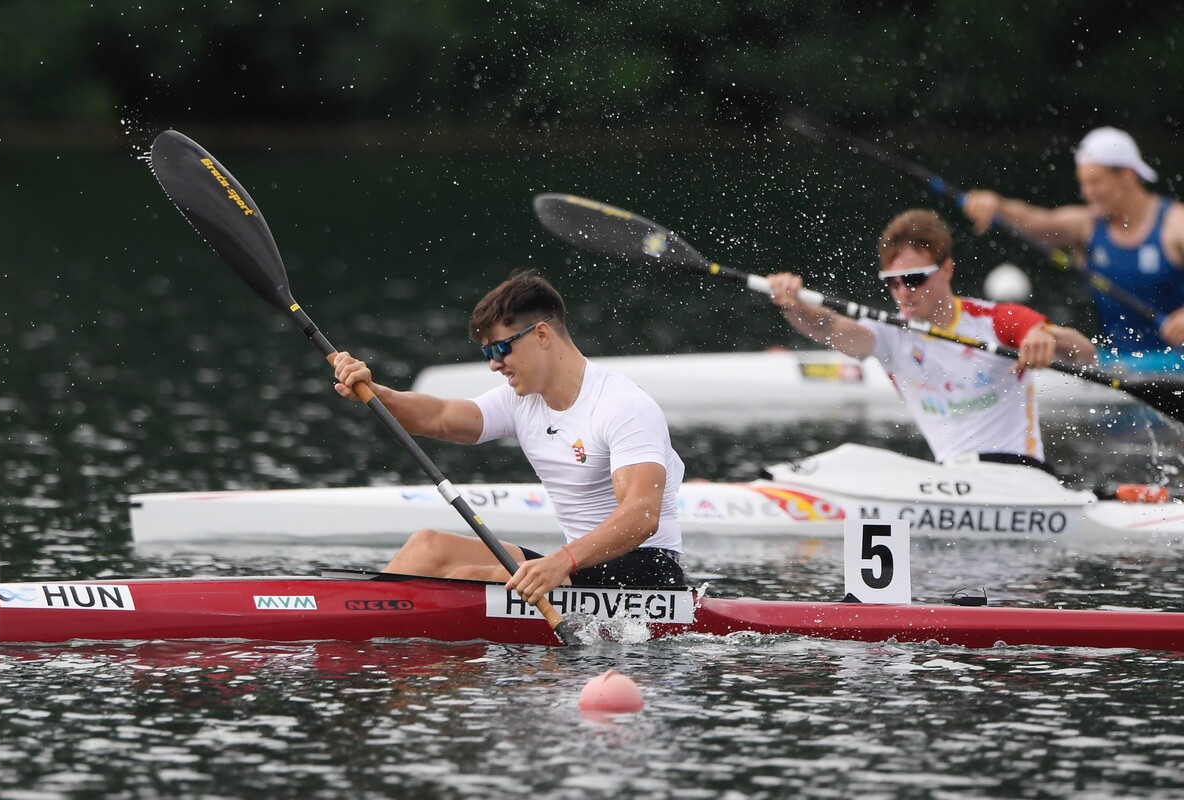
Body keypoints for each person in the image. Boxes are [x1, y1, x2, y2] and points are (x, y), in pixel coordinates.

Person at [330, 271, 686, 605]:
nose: (494, 365)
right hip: (576, 565)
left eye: (499, 349)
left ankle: (376, 628)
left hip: (646, 572)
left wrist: (562, 561)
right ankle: (355, 612)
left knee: (468, 578)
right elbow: (438, 417)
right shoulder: (521, 400)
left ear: (542, 335)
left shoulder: (622, 405)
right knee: (428, 546)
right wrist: (374, 391)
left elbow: (641, 514)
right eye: (487, 353)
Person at [767, 209, 1096, 467]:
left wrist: (1042, 338)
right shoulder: (889, 336)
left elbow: (1084, 353)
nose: (903, 293)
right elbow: (828, 329)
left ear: (947, 269)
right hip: (953, 481)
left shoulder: (994, 320)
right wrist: (793, 307)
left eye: (913, 279)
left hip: (1020, 477)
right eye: (893, 283)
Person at [962, 126, 1184, 353]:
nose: (1087, 193)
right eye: (1083, 183)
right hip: (1118, 365)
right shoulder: (1086, 225)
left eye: (1096, 182)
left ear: (1127, 174)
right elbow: (1037, 221)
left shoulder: (1176, 224)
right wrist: (997, 205)